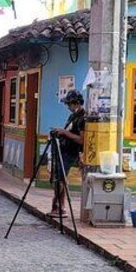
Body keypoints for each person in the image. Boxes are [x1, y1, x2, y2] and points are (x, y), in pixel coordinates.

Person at [49, 90, 86, 218]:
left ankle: (60, 207)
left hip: (72, 152)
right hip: (64, 150)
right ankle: (57, 206)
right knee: (58, 177)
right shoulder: (73, 116)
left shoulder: (82, 117)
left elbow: (82, 139)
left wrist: (64, 133)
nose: (67, 107)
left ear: (75, 103)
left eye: (69, 104)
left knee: (60, 177)